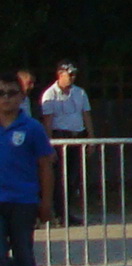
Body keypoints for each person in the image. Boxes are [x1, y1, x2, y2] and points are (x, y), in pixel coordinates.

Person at [0, 76, 54, 266]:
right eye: (1, 93)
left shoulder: (31, 127)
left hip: (23, 201)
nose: (6, 98)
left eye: (11, 93)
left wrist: (46, 201)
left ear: (22, 96)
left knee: (24, 255)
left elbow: (45, 165)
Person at [40, 60, 88, 223]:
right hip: (60, 138)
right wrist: (48, 144)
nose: (73, 77)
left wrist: (91, 139)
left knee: (73, 177)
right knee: (60, 177)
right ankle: (58, 212)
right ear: (60, 74)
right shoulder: (50, 94)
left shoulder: (80, 92)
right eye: (70, 74)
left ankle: (67, 212)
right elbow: (48, 121)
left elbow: (86, 115)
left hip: (77, 136)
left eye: (74, 74)